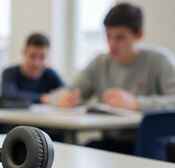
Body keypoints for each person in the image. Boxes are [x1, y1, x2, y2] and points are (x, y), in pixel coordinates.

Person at [51, 3, 175, 154]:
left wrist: (136, 103)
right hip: (112, 145)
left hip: (152, 145)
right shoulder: (100, 63)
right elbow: (67, 91)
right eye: (108, 36)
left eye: (120, 37)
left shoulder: (159, 60)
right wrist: (62, 99)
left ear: (139, 35)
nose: (112, 44)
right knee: (81, 152)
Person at [1, 33, 64, 104]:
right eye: (32, 56)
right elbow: (8, 95)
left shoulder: (50, 74)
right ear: (24, 52)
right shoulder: (9, 73)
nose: (36, 63)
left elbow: (65, 91)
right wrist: (44, 98)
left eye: (42, 57)